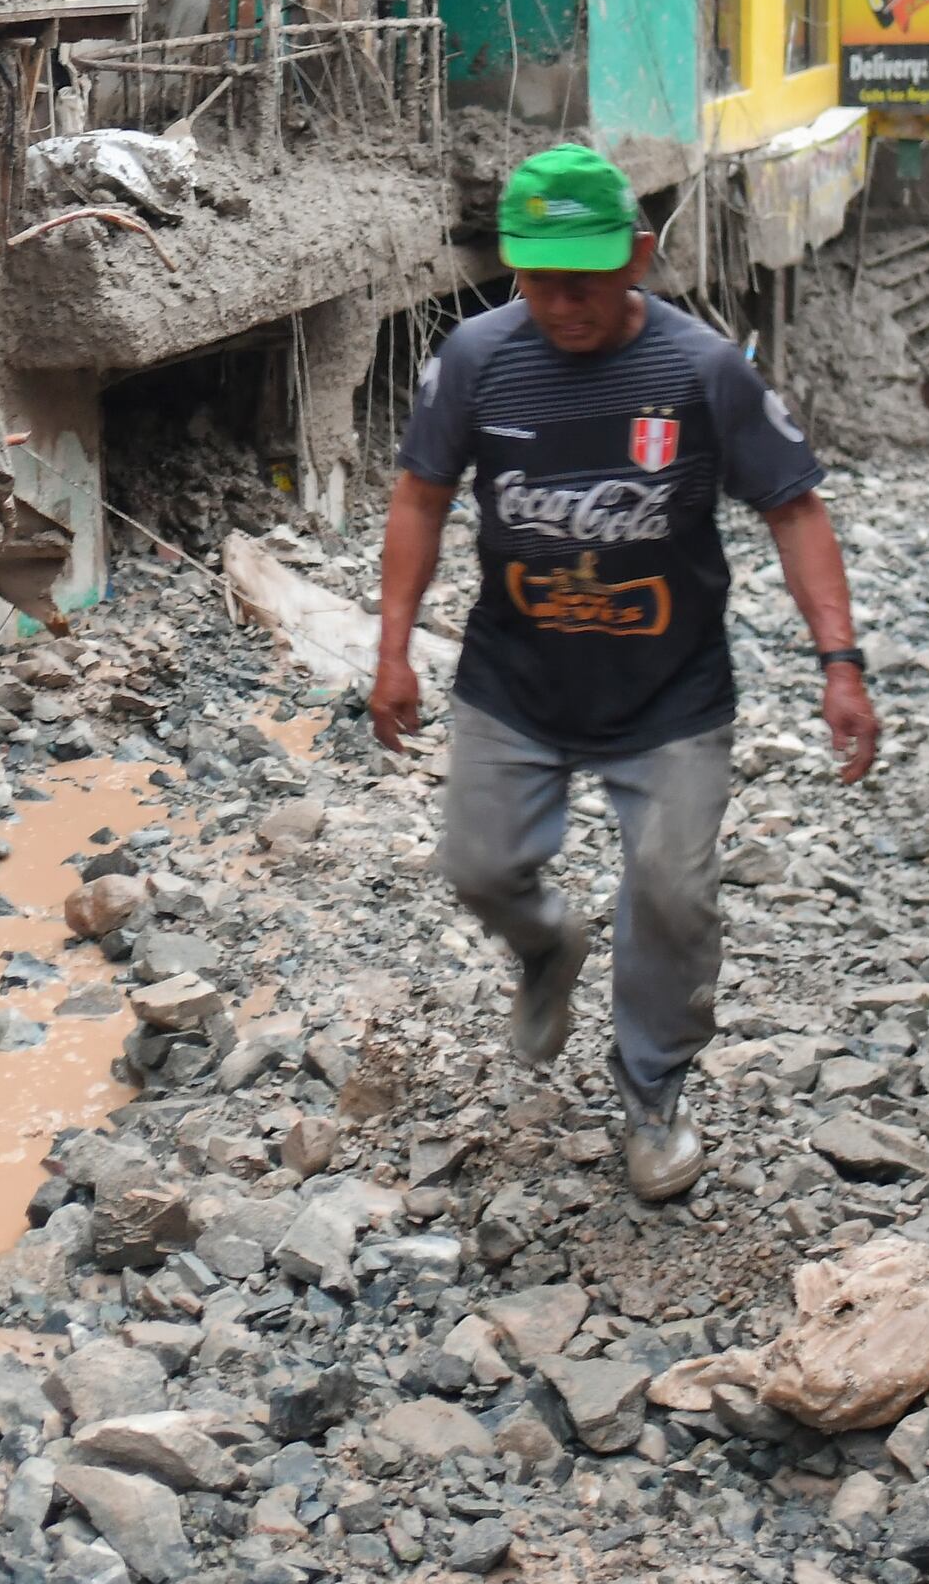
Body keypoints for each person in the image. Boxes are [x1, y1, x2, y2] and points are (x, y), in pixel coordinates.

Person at [370, 145, 882, 1205]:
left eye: (583, 279)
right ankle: (547, 948)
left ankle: (651, 1093)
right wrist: (390, 651)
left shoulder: (700, 373)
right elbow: (420, 494)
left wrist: (839, 664)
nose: (559, 303)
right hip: (514, 678)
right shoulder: (474, 359)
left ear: (637, 259)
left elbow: (792, 508)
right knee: (477, 869)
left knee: (671, 892)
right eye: (538, 279)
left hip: (669, 693)